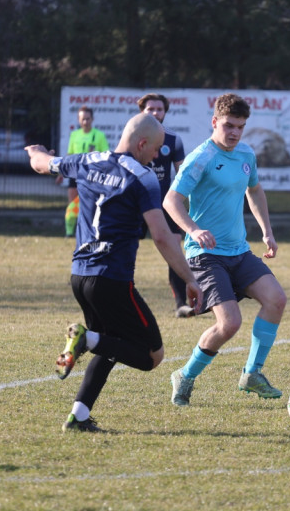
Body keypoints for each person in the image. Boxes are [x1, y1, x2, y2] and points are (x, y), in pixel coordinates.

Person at [26, 112, 201, 432]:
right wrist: (189, 278)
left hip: (79, 276)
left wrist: (36, 152)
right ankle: (85, 339)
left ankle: (78, 417)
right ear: (143, 143)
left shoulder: (87, 161)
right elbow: (162, 235)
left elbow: (42, 163)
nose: (156, 156)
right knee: (151, 356)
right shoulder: (143, 177)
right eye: (156, 149)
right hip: (112, 279)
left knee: (110, 344)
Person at [163, 93, 287, 406]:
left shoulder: (245, 153)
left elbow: (255, 191)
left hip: (239, 251)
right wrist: (193, 229)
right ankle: (186, 375)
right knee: (229, 324)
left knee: (276, 299)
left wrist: (267, 232)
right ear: (214, 121)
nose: (234, 132)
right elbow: (171, 201)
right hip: (205, 255)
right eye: (229, 125)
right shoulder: (200, 157)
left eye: (240, 127)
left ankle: (252, 374)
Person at [137, 93, 191, 318]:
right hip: (136, 202)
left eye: (159, 109)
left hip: (163, 205)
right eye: (150, 109)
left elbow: (181, 175)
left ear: (165, 112)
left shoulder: (173, 140)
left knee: (174, 251)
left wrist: (182, 203)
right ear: (142, 111)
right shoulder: (132, 137)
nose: (155, 113)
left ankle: (181, 304)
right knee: (124, 249)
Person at [59, 106, 109, 237]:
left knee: (91, 205)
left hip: (92, 175)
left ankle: (90, 232)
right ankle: (69, 232)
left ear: (92, 119)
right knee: (72, 204)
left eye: (88, 119)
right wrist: (61, 172)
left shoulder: (99, 135)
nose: (85, 122)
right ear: (78, 120)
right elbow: (70, 154)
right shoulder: (75, 135)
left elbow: (105, 155)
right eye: (83, 119)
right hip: (75, 173)